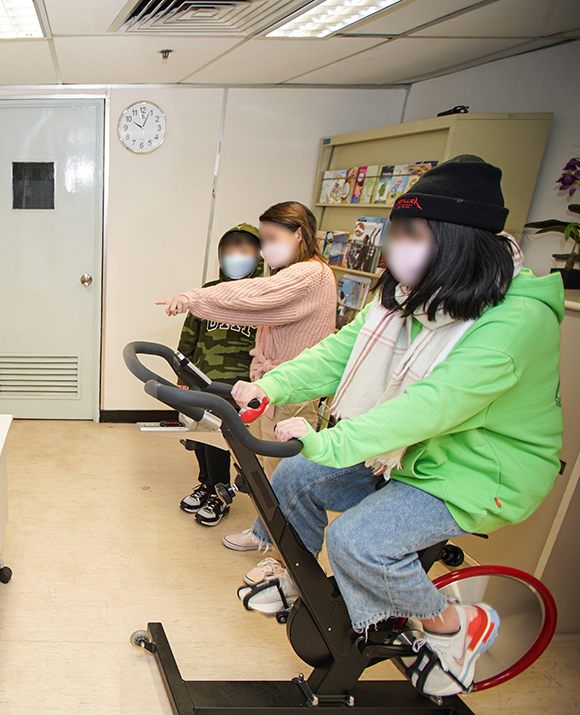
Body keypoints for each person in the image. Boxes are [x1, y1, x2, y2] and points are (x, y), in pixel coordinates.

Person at [229, 156, 563, 697]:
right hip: (407, 451)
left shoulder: (516, 320)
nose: (395, 248)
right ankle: (307, 586)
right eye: (397, 233)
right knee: (294, 477)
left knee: (359, 541)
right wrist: (274, 386)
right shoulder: (410, 295)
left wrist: (332, 440)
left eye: (412, 235)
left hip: (478, 468)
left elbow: (434, 405)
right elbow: (342, 350)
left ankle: (453, 626)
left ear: (457, 243)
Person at [157, 201, 336, 483]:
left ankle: (277, 527)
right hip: (276, 384)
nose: (267, 248)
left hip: (295, 388)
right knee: (266, 465)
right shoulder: (296, 272)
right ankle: (262, 528)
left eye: (272, 239)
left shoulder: (311, 273)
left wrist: (194, 298)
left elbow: (256, 295)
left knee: (282, 472)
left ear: (299, 234)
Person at [177, 224, 264, 527]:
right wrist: (182, 375)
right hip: (203, 380)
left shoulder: (264, 295)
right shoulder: (208, 293)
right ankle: (206, 484)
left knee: (222, 442)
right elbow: (190, 335)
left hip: (239, 386)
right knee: (201, 437)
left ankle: (221, 494)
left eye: (244, 251)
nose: (236, 257)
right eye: (230, 250)